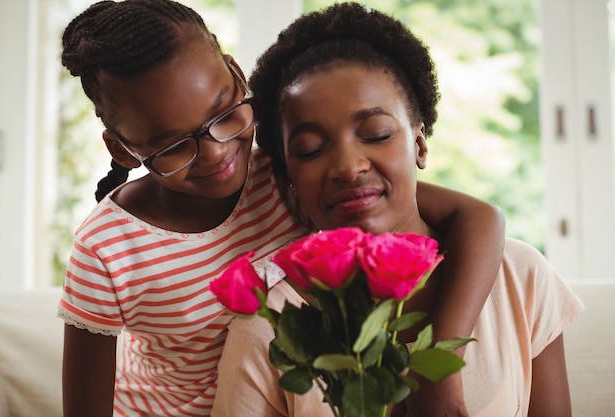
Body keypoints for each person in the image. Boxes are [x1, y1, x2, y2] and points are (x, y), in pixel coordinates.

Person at [57, 1, 505, 416]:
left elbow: (479, 217)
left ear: (236, 74)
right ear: (122, 149)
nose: (215, 153)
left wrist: (441, 368)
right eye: (174, 146)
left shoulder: (284, 174)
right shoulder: (106, 251)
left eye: (223, 113)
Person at [211, 3, 584, 417]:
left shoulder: (520, 278)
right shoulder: (269, 329)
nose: (349, 167)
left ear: (420, 144)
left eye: (376, 134)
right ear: (288, 184)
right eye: (311, 149)